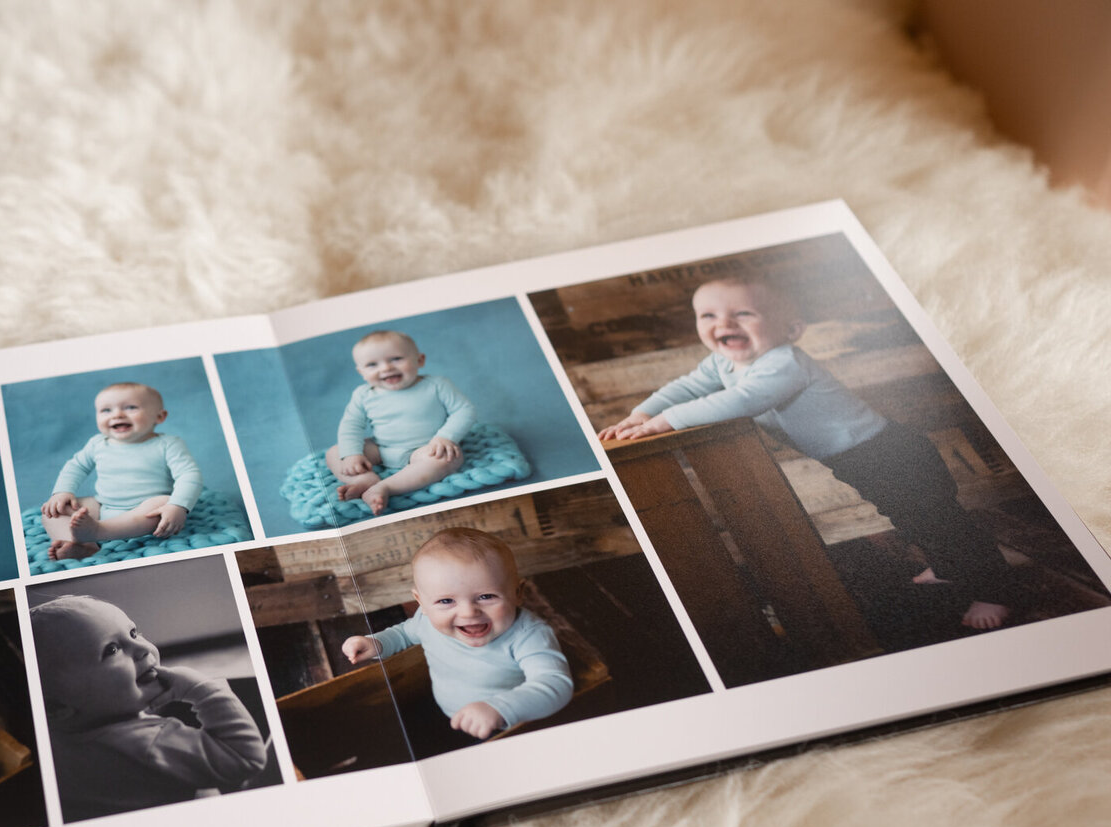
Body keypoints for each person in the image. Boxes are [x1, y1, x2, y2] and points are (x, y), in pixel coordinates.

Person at [599, 276, 1010, 630]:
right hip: (854, 458)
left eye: (743, 314)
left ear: (791, 329)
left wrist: (663, 423)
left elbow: (744, 401)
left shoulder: (784, 361)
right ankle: (950, 566)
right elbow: (686, 387)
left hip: (888, 451)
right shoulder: (721, 363)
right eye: (708, 315)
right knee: (905, 514)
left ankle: (994, 590)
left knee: (939, 518)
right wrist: (642, 413)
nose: (723, 323)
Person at [30, 595, 267, 821]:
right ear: (55, 706)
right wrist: (203, 689)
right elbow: (245, 758)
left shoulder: (53, 743)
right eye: (111, 649)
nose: (142, 648)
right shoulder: (150, 745)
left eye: (133, 633)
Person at [342, 527, 573, 739]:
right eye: (446, 601)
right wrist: (376, 643)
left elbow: (555, 684)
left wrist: (500, 708)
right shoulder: (426, 621)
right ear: (421, 602)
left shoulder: (528, 635)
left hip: (510, 726)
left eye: (486, 596)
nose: (469, 612)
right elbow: (403, 634)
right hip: (449, 713)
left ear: (518, 593)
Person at [42, 382, 202, 560]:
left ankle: (98, 531)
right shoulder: (97, 443)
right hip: (103, 505)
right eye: (106, 410)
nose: (117, 414)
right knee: (54, 511)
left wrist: (178, 505)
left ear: (160, 416)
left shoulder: (167, 444)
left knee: (163, 502)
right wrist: (63, 491)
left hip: (145, 511)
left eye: (131, 407)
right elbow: (76, 466)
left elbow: (189, 474)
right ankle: (82, 544)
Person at [324, 330, 476, 516]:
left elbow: (464, 410)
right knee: (335, 453)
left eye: (396, 359)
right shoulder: (363, 394)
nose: (386, 368)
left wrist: (445, 437)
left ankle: (385, 487)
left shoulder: (436, 385)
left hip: (426, 448)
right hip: (382, 448)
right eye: (372, 364)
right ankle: (364, 480)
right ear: (361, 372)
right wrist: (352, 454)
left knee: (447, 459)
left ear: (419, 360)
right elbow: (351, 425)